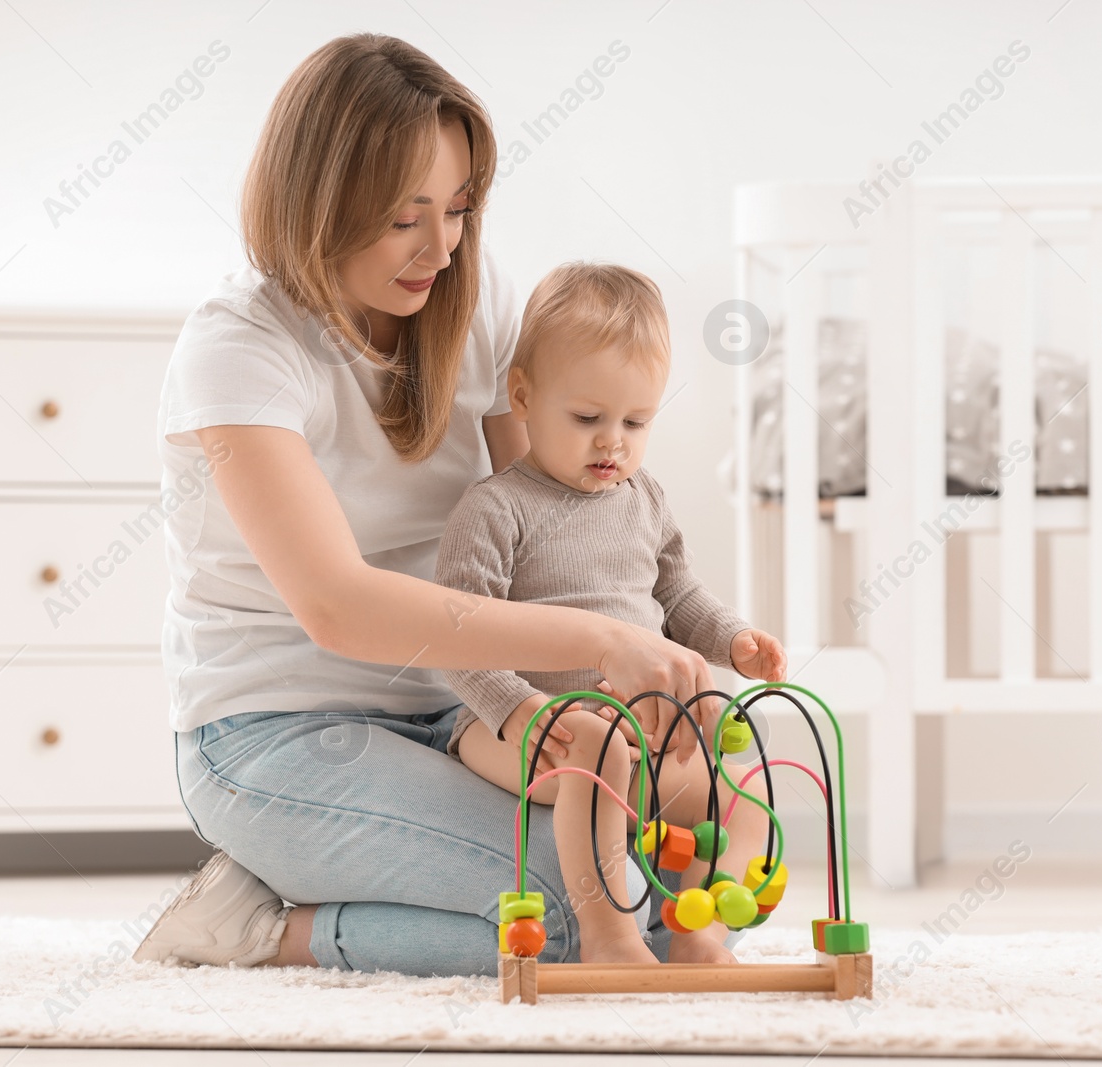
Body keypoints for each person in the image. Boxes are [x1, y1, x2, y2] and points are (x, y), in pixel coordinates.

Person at [130, 33, 735, 978]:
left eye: (457, 210)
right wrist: (604, 649)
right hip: (275, 733)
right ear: (321, 202)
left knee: (669, 872)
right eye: (406, 217)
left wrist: (620, 684)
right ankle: (255, 929)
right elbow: (337, 604)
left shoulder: (469, 293)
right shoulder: (237, 347)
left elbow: (545, 524)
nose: (442, 247)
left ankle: (349, 890)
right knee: (579, 919)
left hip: (461, 709)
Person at [435, 262, 788, 966]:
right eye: (588, 418)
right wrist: (523, 709)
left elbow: (678, 595)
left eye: (636, 420)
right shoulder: (496, 507)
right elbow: (457, 636)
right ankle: (607, 935)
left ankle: (700, 932)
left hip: (637, 730)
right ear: (524, 397)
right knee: (599, 745)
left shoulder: (645, 498)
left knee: (743, 778)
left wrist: (733, 639)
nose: (613, 442)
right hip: (515, 727)